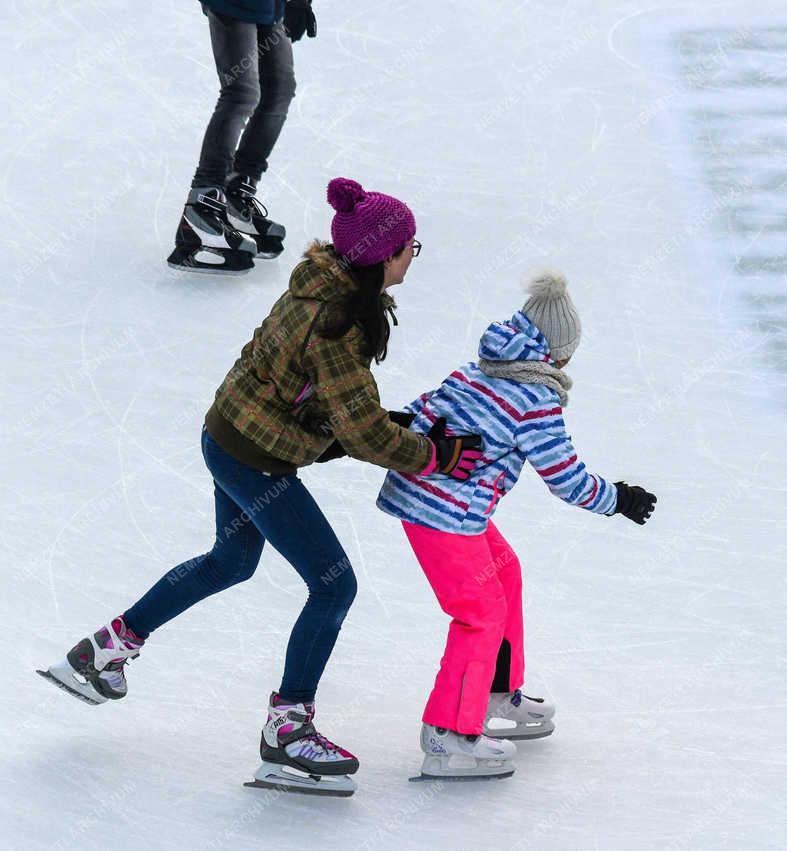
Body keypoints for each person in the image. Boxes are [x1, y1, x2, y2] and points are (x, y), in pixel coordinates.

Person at [39, 178, 483, 798]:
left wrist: (382, 427)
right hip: (256, 458)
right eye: (411, 247)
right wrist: (433, 454)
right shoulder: (338, 325)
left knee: (231, 561)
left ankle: (103, 652)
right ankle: (288, 729)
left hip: (229, 434)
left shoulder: (315, 285)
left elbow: (312, 397)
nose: (413, 256)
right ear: (384, 256)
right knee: (334, 585)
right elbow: (363, 433)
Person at [376, 271, 658, 780]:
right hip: (444, 514)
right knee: (479, 614)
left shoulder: (479, 368)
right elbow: (566, 480)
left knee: (504, 572)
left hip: (445, 504)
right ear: (556, 352)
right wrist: (619, 499)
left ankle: (494, 695)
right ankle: (448, 736)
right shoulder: (535, 400)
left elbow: (420, 411)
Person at [167, 0, 318, 274]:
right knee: (241, 93)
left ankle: (235, 193)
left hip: (272, 8)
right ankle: (201, 207)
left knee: (279, 91)